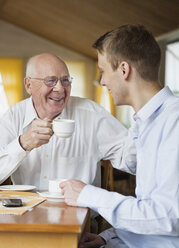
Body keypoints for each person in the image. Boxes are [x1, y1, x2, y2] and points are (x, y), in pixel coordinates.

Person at [60, 24, 179, 247]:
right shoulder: (145, 123)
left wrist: (89, 195)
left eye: (103, 71)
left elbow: (168, 218)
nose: (102, 81)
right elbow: (149, 210)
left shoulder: (174, 122)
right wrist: (107, 237)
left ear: (124, 70)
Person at [0, 53, 135, 191]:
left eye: (65, 80)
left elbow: (131, 158)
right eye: (50, 81)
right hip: (27, 211)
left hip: (78, 210)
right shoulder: (13, 117)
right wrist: (23, 144)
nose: (60, 88)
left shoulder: (91, 114)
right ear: (29, 85)